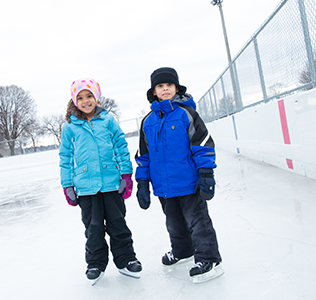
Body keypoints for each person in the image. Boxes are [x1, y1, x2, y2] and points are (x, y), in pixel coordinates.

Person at [135, 67, 224, 283]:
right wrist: (142, 184)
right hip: (164, 186)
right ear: (153, 91)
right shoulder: (148, 122)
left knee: (197, 221)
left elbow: (203, 145)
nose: (165, 89)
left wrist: (206, 173)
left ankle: (210, 259)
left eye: (169, 85)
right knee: (173, 222)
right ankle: (183, 250)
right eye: (160, 86)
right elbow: (143, 156)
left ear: (176, 88)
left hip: (189, 182)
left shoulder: (187, 114)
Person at [59, 78, 142, 285]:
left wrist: (126, 175)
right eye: (80, 97)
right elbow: (65, 158)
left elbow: (121, 147)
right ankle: (95, 264)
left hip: (111, 183)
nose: (86, 101)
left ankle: (127, 260)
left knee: (118, 224)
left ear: (96, 97)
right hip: (86, 188)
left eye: (89, 96)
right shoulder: (70, 127)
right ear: (74, 101)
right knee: (93, 228)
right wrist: (67, 185)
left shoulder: (108, 120)